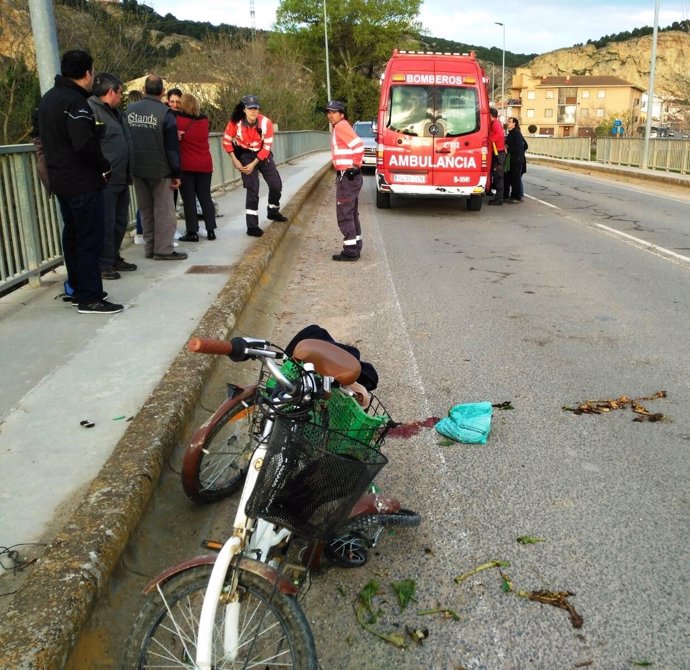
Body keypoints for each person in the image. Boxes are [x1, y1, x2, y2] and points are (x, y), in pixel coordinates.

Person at [37, 50, 123, 314]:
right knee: (89, 239)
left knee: (73, 235)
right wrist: (104, 166)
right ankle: (90, 298)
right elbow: (83, 143)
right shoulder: (76, 103)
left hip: (60, 179)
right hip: (82, 182)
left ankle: (77, 288)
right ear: (88, 73)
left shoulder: (48, 99)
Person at [125, 74, 187, 260]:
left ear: (144, 90)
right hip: (160, 170)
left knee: (146, 210)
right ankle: (164, 249)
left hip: (137, 168)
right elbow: (171, 146)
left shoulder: (129, 110)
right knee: (164, 211)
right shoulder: (165, 113)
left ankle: (150, 248)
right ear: (162, 92)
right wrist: (176, 172)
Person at [88, 72, 137, 279]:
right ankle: (104, 263)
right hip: (105, 179)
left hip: (121, 176)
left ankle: (114, 256)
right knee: (106, 222)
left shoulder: (116, 112)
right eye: (120, 92)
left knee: (119, 220)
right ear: (111, 92)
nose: (122, 96)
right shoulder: (92, 111)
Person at [222, 95, 288, 237]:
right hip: (245, 155)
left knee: (276, 185)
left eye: (256, 108)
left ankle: (273, 210)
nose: (253, 111)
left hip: (262, 156)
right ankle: (252, 226)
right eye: (250, 109)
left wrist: (254, 164)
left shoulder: (266, 123)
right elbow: (226, 141)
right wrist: (235, 160)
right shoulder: (235, 123)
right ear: (244, 110)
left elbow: (267, 147)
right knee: (252, 189)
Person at [325, 100, 364, 262]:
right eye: (328, 112)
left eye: (333, 112)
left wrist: (354, 166)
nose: (330, 115)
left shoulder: (341, 126)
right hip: (349, 176)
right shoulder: (340, 127)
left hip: (348, 176)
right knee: (351, 213)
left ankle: (350, 251)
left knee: (344, 213)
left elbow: (358, 146)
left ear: (341, 114)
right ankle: (355, 245)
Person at [175, 93, 217, 241]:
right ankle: (211, 230)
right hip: (205, 164)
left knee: (189, 199)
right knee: (205, 197)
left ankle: (192, 232)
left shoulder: (177, 120)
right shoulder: (204, 120)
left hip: (187, 165)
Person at [505, 116, 528, 203]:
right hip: (514, 158)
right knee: (513, 177)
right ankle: (514, 195)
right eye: (508, 121)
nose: (508, 123)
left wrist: (509, 149)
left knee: (516, 178)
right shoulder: (511, 133)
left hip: (517, 159)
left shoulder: (516, 133)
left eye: (510, 122)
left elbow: (521, 146)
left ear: (514, 123)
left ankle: (517, 197)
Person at [487, 108, 506, 206]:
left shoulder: (495, 124)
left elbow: (499, 135)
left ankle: (499, 199)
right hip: (498, 153)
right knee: (497, 176)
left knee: (498, 177)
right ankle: (498, 198)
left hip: (498, 154)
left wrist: (489, 140)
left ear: (490, 115)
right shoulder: (495, 123)